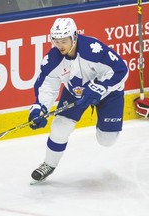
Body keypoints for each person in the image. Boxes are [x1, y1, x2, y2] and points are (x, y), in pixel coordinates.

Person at [28, 17, 128, 183]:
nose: (60, 45)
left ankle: (106, 121)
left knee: (106, 140)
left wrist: (99, 88)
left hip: (109, 93)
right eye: (56, 41)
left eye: (64, 41)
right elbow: (47, 87)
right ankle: (48, 164)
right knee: (59, 128)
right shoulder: (52, 60)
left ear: (74, 37)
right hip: (75, 93)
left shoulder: (93, 50)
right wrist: (40, 109)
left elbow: (120, 70)